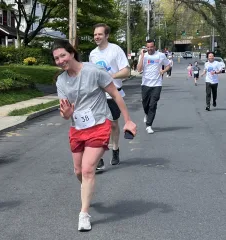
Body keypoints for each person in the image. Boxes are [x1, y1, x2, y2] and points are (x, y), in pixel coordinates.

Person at [53, 40, 137, 232]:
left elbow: (116, 94)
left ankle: (84, 214)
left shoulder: (93, 71)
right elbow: (65, 114)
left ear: (72, 53)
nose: (60, 61)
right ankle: (87, 190)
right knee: (78, 171)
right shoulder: (61, 81)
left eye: (63, 56)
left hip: (99, 124)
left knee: (88, 168)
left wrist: (128, 120)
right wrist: (66, 113)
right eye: (56, 58)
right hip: (78, 128)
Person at [89, 23, 131, 170]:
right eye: (95, 34)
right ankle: (99, 157)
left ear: (106, 35)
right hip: (98, 94)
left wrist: (110, 76)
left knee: (113, 124)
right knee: (98, 125)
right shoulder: (93, 54)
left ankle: (115, 149)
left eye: (99, 34)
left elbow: (126, 72)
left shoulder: (115, 50)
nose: (96, 37)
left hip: (114, 92)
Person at [137, 39, 170, 134]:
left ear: (154, 47)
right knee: (145, 103)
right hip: (145, 84)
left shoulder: (161, 55)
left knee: (153, 105)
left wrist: (163, 71)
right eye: (148, 47)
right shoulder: (143, 56)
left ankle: (149, 125)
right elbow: (139, 70)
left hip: (157, 84)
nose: (150, 49)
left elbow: (168, 65)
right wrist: (142, 56)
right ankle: (146, 114)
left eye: (151, 47)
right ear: (146, 47)